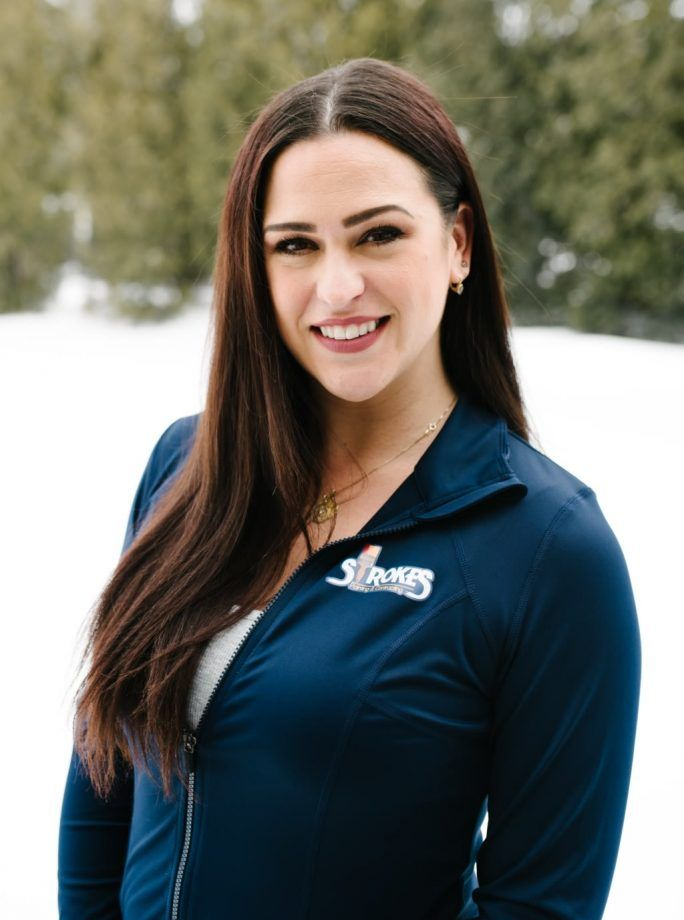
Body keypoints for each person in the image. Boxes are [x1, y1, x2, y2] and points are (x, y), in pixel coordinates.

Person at [58, 57, 641, 920]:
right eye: (296, 245)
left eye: (377, 235)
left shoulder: (549, 551)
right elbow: (105, 765)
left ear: (458, 244)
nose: (337, 287)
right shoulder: (188, 465)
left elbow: (541, 904)